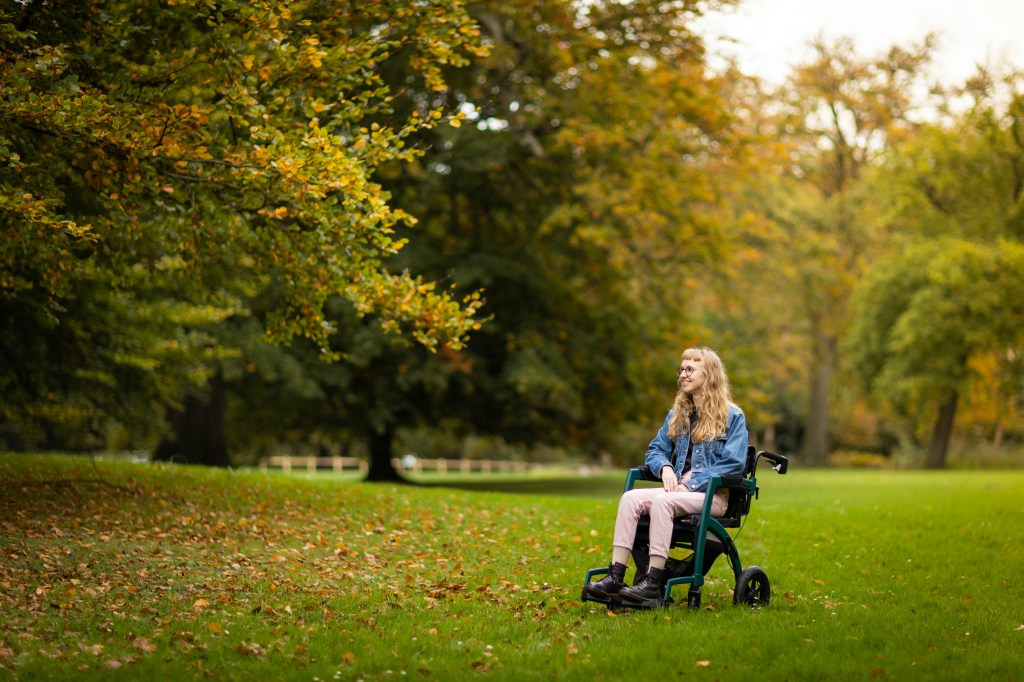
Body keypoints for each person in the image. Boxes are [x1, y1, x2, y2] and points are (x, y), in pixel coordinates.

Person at [583, 346, 749, 605]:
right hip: (679, 493)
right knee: (630, 498)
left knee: (663, 502)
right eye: (681, 369)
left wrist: (691, 484)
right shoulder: (678, 414)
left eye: (690, 369)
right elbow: (656, 449)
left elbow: (732, 464)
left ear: (709, 375)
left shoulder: (733, 416)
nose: (683, 374)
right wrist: (666, 468)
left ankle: (652, 581)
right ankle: (615, 575)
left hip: (712, 497)